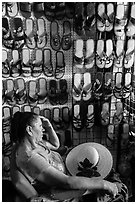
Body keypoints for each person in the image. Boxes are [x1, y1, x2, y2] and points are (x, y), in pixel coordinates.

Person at [10, 111, 119, 201]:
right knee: (117, 186)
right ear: (29, 130)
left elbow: (55, 145)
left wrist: (49, 126)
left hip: (66, 171)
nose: (42, 129)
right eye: (40, 126)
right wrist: (103, 184)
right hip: (63, 189)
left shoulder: (33, 142)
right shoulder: (32, 159)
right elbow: (67, 182)